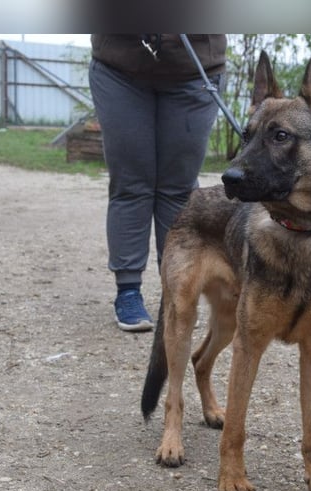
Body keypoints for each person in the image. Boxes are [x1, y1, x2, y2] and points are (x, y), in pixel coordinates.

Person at [89, 34, 227, 331]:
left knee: (179, 188)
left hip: (194, 67)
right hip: (120, 67)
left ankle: (177, 291)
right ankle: (128, 291)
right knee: (131, 184)